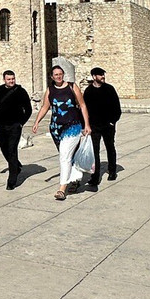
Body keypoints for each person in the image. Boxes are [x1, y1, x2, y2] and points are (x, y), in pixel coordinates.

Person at [32, 65, 91, 200]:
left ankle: (62, 188)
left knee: (64, 156)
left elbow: (82, 105)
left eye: (60, 74)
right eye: (56, 75)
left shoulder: (72, 87)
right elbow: (45, 107)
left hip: (73, 127)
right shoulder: (50, 90)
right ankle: (75, 179)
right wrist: (37, 122)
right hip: (56, 128)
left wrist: (87, 124)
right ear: (52, 77)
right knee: (68, 155)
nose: (59, 76)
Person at [0, 70, 33, 190]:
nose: (11, 81)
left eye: (13, 79)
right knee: (4, 149)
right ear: (4, 80)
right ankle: (16, 166)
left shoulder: (21, 91)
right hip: (0, 125)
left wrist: (21, 123)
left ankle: (12, 181)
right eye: (9, 79)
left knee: (12, 150)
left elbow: (28, 109)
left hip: (14, 126)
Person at [81, 67, 120, 187]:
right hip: (94, 126)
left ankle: (112, 171)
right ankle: (95, 176)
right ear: (94, 77)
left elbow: (116, 106)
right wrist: (85, 125)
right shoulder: (88, 91)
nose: (103, 76)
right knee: (94, 151)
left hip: (108, 125)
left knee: (110, 147)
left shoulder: (109, 89)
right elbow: (84, 109)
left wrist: (113, 121)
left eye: (103, 74)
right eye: (100, 74)